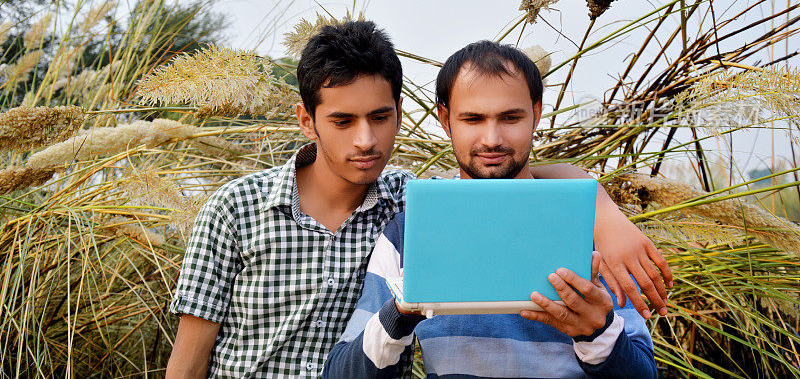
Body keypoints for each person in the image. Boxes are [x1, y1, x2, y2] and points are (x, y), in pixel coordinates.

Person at [166, 23, 667, 378]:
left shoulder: (429, 206)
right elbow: (191, 358)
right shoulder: (412, 219)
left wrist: (598, 209)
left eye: (379, 118)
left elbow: (504, 180)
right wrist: (399, 313)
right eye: (342, 121)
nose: (364, 140)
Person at [323, 41, 658, 378]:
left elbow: (646, 373)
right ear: (445, 118)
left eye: (510, 117)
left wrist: (597, 332)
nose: (492, 138)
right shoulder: (411, 231)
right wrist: (400, 312)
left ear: (537, 113)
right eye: (473, 119)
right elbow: (340, 373)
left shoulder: (593, 229)